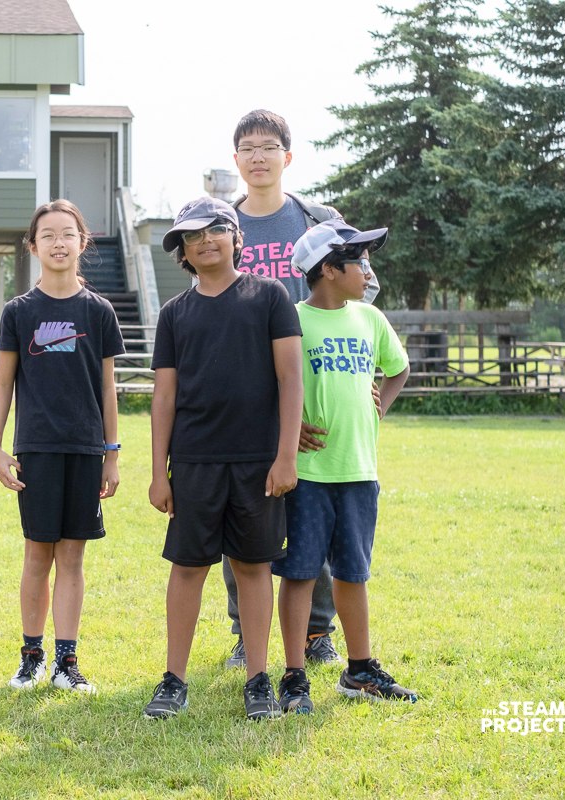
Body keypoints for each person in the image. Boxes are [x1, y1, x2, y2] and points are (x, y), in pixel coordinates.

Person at [143, 196, 302, 720]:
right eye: (192, 236)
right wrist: (158, 473)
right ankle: (174, 680)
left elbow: (289, 378)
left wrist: (285, 457)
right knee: (188, 568)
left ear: (236, 237)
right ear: (183, 251)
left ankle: (259, 680)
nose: (205, 241)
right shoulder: (174, 314)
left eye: (215, 230)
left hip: (258, 462)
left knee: (254, 567)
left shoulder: (270, 297)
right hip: (193, 463)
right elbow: (163, 398)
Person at [221, 109, 361, 670]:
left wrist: (364, 369)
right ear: (236, 160)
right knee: (246, 513)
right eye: (248, 148)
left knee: (313, 510)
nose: (259, 156)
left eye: (269, 146)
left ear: (288, 156)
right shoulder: (219, 223)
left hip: (319, 381)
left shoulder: (318, 218)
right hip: (245, 388)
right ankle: (245, 632)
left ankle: (315, 634)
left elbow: (361, 288)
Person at [274, 220, 415, 713]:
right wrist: (283, 432)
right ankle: (294, 675)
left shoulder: (370, 319)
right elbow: (266, 386)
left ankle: (359, 669)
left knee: (352, 573)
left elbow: (398, 368)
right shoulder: (290, 319)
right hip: (307, 475)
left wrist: (379, 405)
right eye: (361, 263)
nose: (368, 272)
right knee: (300, 572)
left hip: (359, 471)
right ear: (329, 270)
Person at [0, 199, 125, 694]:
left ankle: (67, 661)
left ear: (82, 242)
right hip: (37, 450)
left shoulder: (99, 311)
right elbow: (3, 383)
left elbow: (108, 387)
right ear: (33, 246)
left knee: (72, 557)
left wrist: (112, 453)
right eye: (48, 235)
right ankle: (32, 655)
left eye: (68, 234)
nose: (58, 243)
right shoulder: (19, 312)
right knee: (37, 554)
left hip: (86, 449)